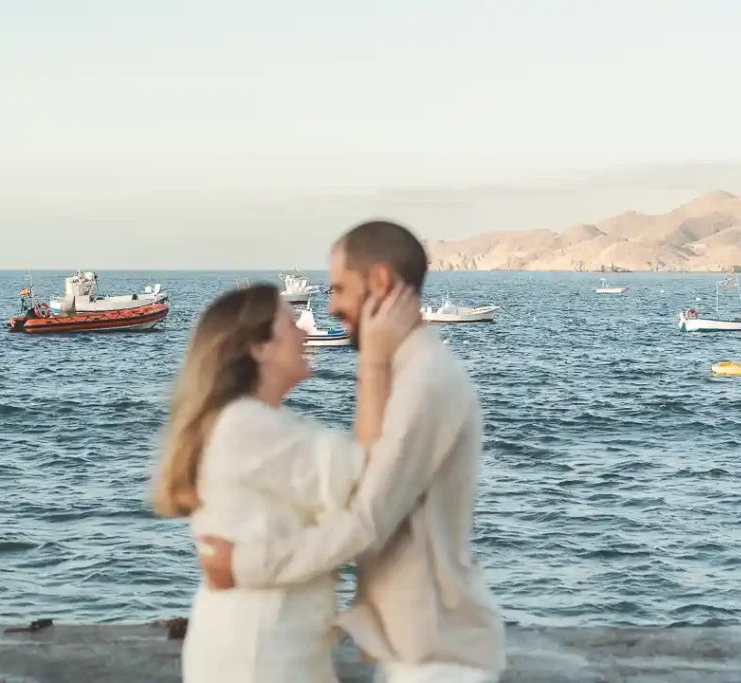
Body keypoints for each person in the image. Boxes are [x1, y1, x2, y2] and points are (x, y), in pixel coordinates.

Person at [197, 220, 506, 683]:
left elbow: (367, 517)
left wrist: (241, 564)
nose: (330, 305)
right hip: (415, 646)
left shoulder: (423, 380)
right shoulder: (408, 374)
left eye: (339, 288)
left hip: (435, 658)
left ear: (378, 282)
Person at [153, 281, 422, 683]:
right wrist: (377, 361)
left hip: (263, 646)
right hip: (259, 655)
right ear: (259, 348)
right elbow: (370, 478)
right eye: (290, 321)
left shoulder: (248, 422)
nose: (302, 331)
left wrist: (246, 565)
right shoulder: (248, 426)